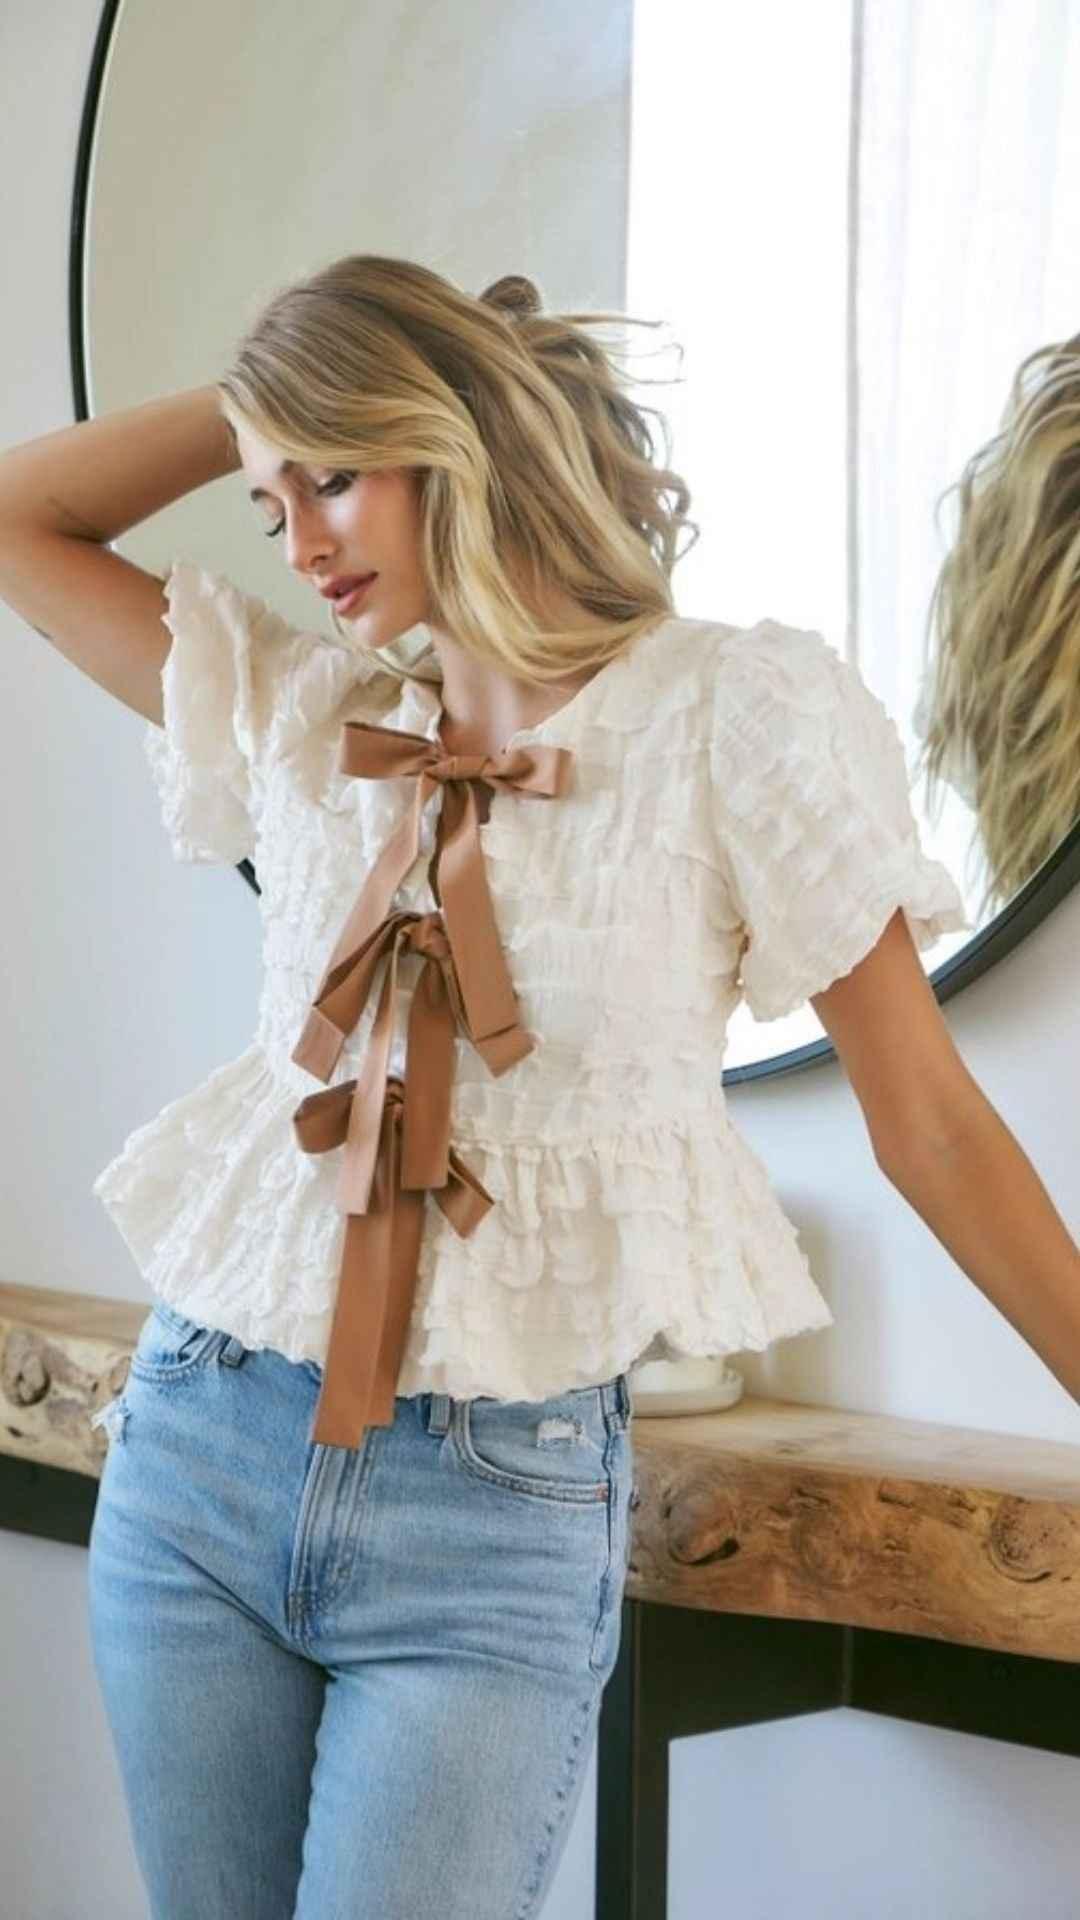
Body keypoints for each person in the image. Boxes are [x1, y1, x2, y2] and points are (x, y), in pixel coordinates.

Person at [3, 254, 1075, 1920]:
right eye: (271, 501)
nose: (293, 545)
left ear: (448, 427)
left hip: (491, 1522)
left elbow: (925, 1114)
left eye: (334, 477)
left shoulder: (737, 707)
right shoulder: (312, 714)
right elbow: (18, 517)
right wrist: (265, 413)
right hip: (205, 1447)